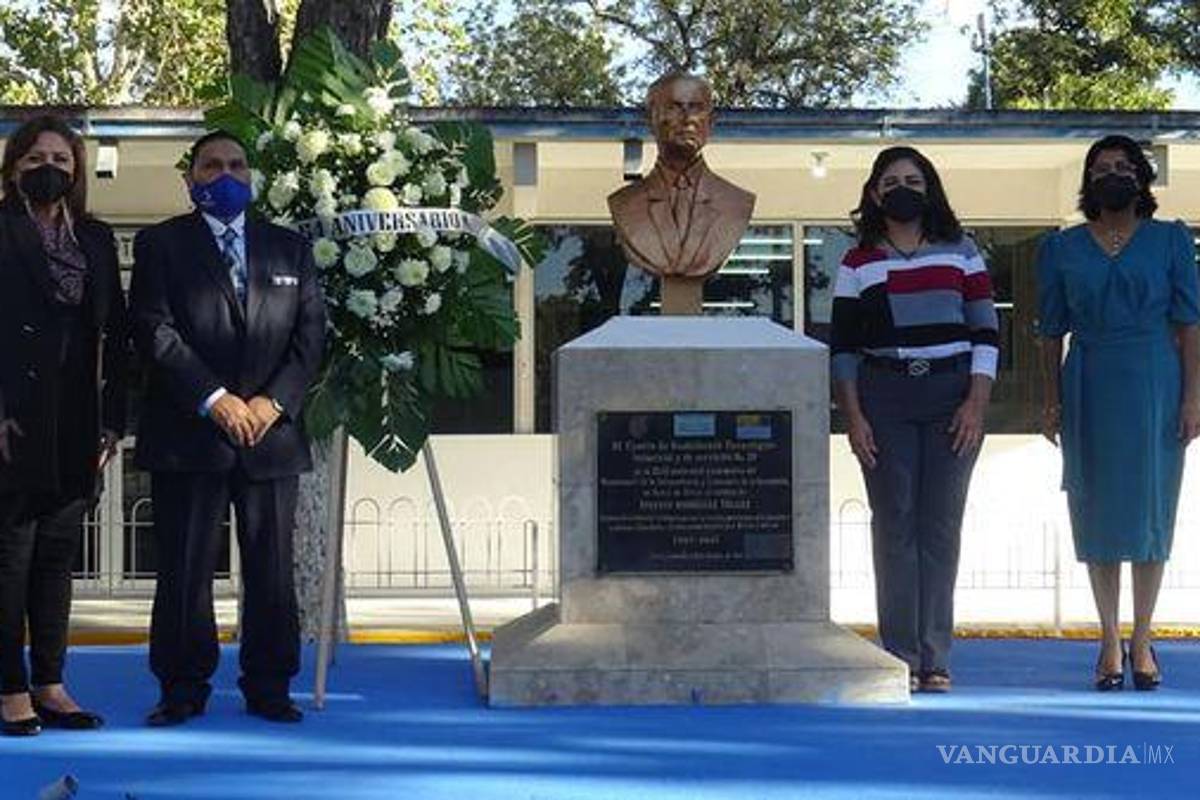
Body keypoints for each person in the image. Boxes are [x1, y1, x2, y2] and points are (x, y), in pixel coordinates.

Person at [129, 130, 326, 726]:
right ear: (190, 179)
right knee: (185, 569)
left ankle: (269, 684)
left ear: (253, 174)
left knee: (270, 568)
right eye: (211, 166)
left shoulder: (290, 249)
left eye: (237, 165)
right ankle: (182, 685)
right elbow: (154, 330)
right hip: (190, 432)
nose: (226, 174)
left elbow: (311, 337)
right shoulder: (162, 244)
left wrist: (271, 403)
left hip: (270, 437)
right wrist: (215, 399)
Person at [830, 146, 997, 693]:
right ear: (875, 193)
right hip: (885, 397)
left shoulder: (962, 251)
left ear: (930, 189)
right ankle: (900, 655)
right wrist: (854, 417)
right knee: (895, 523)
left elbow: (986, 334)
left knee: (941, 526)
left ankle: (937, 656)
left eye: (915, 179)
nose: (904, 187)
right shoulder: (858, 262)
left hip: (953, 394)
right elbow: (843, 349)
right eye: (892, 180)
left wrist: (975, 402)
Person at [1037, 134, 1200, 692]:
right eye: (1101, 167)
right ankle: (1109, 638)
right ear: (1088, 181)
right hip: (1089, 379)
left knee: (1150, 512)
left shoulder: (1171, 239)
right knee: (1097, 510)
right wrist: (1051, 398)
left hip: (1156, 378)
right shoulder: (1061, 248)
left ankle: (1144, 637)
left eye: (1123, 166)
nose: (1113, 174)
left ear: (1141, 178)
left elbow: (1189, 321)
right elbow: (1048, 330)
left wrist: (1193, 396)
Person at [0, 114, 127, 736]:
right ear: (14, 166)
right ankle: (9, 688)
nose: (49, 166)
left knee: (56, 558)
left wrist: (114, 422)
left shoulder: (97, 239)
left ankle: (51, 682)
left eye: (61, 157)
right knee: (9, 558)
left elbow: (119, 333)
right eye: (35, 156)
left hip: (78, 419)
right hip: (13, 418)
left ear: (76, 172)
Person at [607, 72, 755, 280]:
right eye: (674, 107)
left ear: (711, 121)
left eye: (697, 108)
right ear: (651, 118)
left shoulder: (736, 202)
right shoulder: (624, 204)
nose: (688, 119)